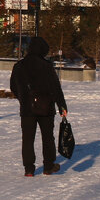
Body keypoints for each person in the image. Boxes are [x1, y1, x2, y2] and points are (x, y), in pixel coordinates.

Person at [10, 35, 69, 177]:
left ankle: (29, 169)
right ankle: (48, 166)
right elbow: (56, 88)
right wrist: (62, 106)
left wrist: (23, 98)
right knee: (48, 137)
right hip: (46, 108)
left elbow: (13, 86)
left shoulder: (19, 66)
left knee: (27, 139)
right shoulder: (47, 66)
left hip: (26, 109)